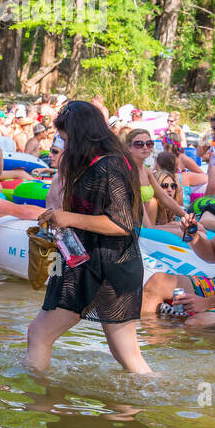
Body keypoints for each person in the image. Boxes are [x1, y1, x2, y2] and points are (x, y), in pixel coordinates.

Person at [24, 100, 150, 373]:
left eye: (67, 138)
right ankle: (141, 407)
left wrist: (68, 218)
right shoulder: (104, 162)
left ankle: (35, 400)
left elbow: (123, 225)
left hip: (104, 268)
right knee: (126, 355)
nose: (65, 145)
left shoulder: (110, 166)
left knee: (39, 334)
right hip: (99, 266)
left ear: (81, 134)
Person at [142, 160, 215, 328]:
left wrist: (207, 303)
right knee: (157, 283)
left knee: (195, 324)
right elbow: (213, 254)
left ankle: (162, 347)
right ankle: (143, 346)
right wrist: (192, 235)